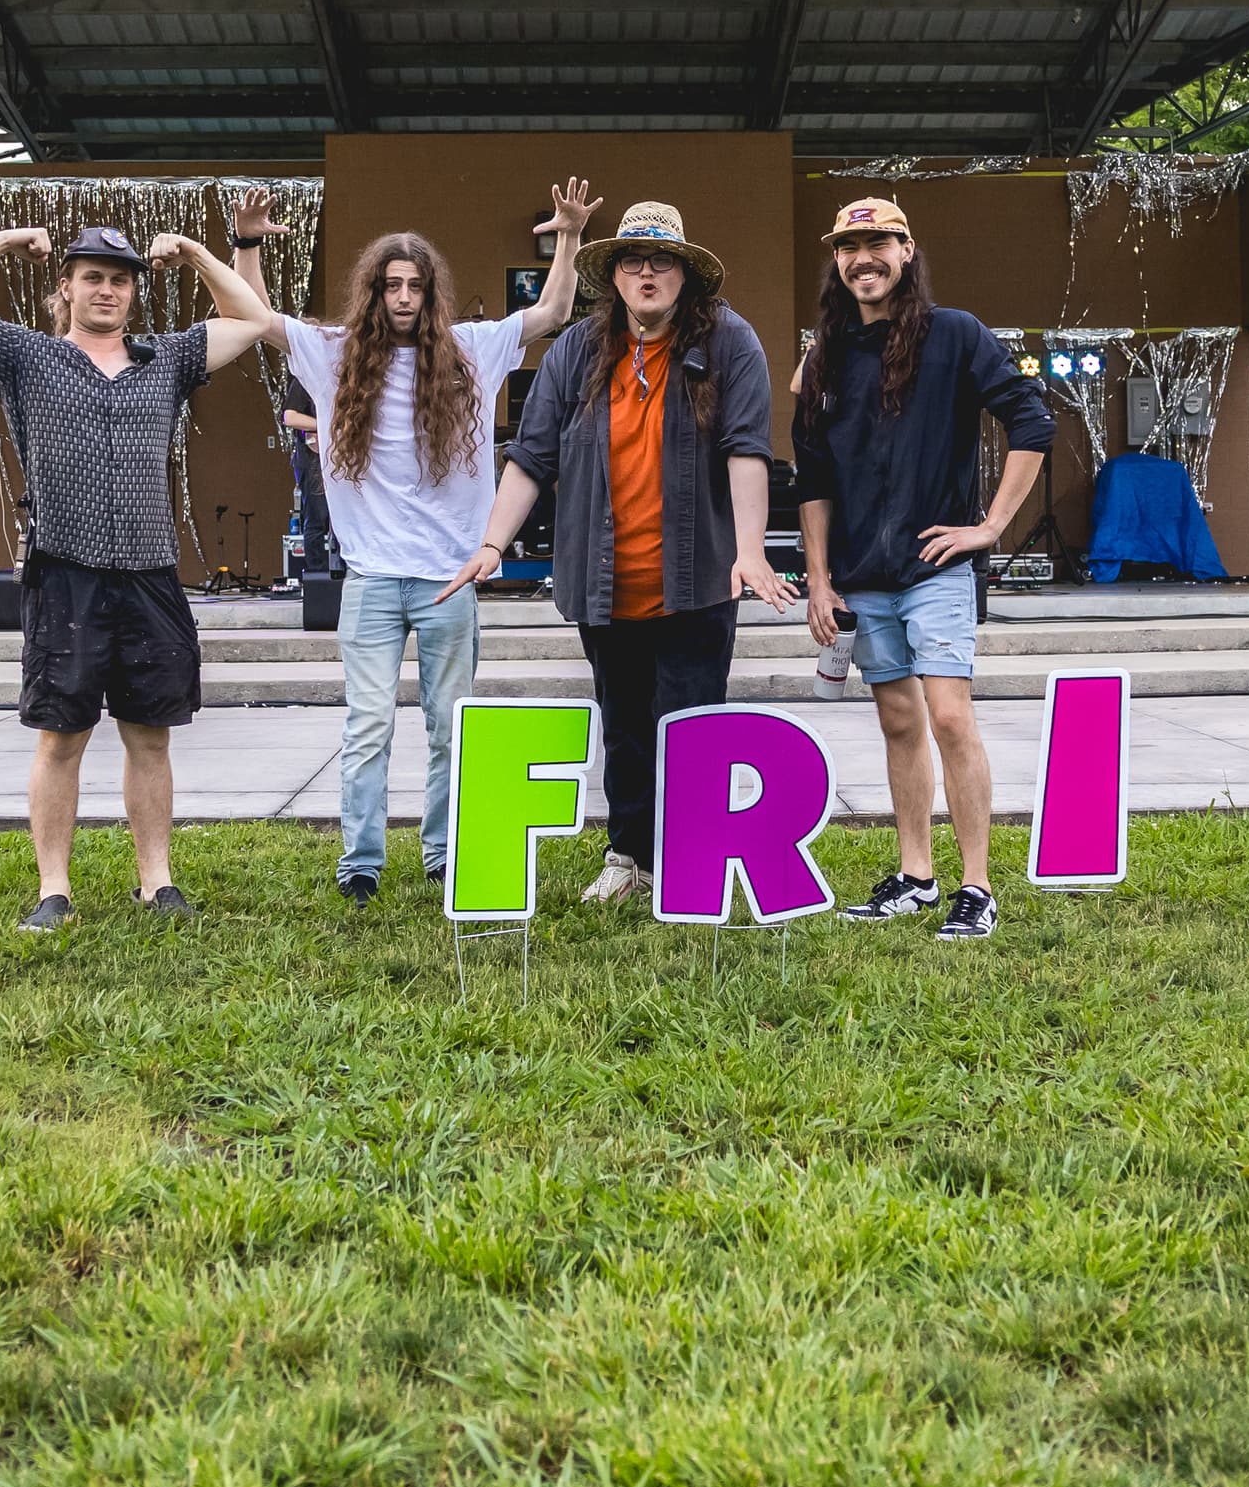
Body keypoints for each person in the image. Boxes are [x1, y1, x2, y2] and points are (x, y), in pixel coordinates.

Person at [0, 221, 275, 932]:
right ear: (67, 288)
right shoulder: (25, 355)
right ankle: (54, 890)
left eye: (120, 279)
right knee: (61, 737)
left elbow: (254, 319)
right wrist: (5, 240)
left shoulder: (165, 359)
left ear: (134, 292)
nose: (106, 290)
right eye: (93, 277)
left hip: (149, 575)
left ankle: (156, 882)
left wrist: (197, 253)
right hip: (64, 574)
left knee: (151, 735)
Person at [245, 180, 601, 903]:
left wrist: (567, 237)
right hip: (372, 581)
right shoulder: (335, 354)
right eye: (390, 285)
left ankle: (443, 854)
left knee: (448, 731)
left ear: (431, 292)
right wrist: (246, 245)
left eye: (415, 285)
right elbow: (254, 318)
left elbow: (555, 311)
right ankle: (361, 865)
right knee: (368, 726)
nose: (403, 297)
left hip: (449, 580)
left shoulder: (473, 350)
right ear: (372, 294)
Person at [439, 201, 792, 903]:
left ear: (685, 272)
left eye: (662, 259)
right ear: (614, 275)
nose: (647, 272)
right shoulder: (576, 349)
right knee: (626, 729)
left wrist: (750, 550)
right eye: (633, 260)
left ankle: (687, 866)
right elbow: (531, 456)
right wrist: (490, 542)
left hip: (696, 581)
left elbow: (747, 448)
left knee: (690, 730)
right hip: (605, 582)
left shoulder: (730, 342)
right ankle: (629, 854)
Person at [794, 196, 1053, 942]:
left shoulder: (956, 336)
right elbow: (811, 480)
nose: (863, 257)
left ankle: (977, 888)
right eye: (849, 246)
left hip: (936, 568)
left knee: (948, 715)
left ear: (907, 250)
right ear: (836, 261)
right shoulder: (827, 357)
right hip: (862, 576)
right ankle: (915, 877)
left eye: (878, 242)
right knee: (899, 720)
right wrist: (818, 576)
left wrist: (991, 527)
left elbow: (1032, 420)